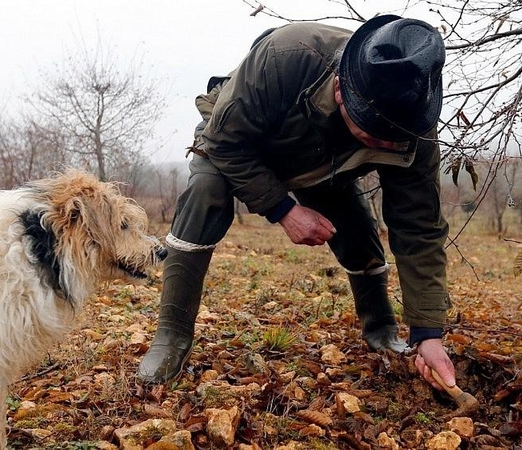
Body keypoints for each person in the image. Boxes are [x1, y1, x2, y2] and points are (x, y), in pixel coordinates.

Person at [138, 14, 457, 392]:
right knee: (206, 196)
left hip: (323, 162)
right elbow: (225, 142)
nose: (388, 146)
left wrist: (428, 333)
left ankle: (382, 328)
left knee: (357, 233)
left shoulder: (411, 117)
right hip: (235, 138)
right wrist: (283, 209)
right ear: (342, 90)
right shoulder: (286, 54)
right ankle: (171, 336)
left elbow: (419, 227)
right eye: (376, 134)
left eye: (393, 139)